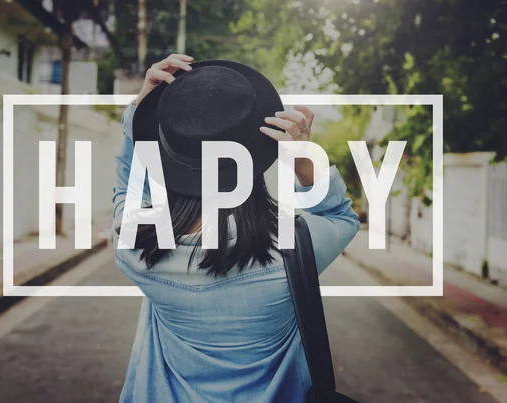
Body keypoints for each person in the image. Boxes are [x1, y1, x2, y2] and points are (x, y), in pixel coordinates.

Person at [112, 54, 360, 402]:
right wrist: (305, 162)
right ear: (258, 154)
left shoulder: (136, 246)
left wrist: (140, 110)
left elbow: (127, 187)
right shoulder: (293, 246)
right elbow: (341, 217)